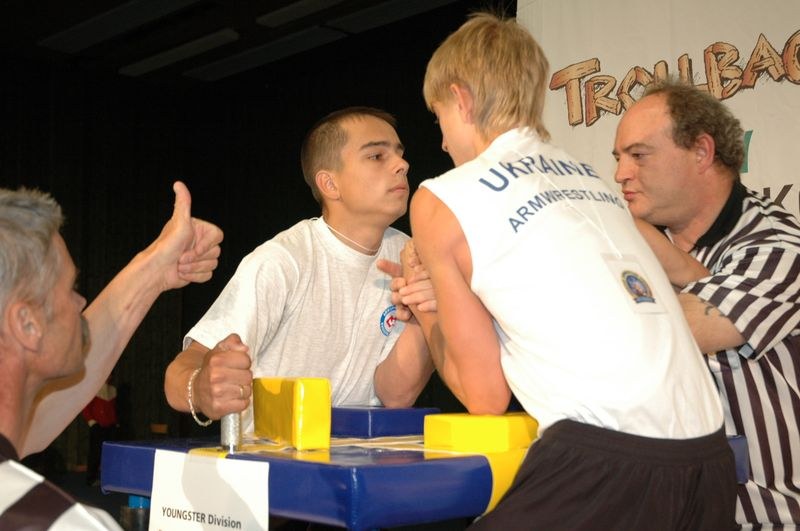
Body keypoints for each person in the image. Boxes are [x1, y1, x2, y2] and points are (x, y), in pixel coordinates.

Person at [396, 13, 737, 529]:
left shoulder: (442, 197)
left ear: (461, 99)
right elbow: (687, 270)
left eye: (438, 117)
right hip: (710, 461)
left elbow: (484, 396)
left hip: (611, 458)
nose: (442, 142)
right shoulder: (595, 181)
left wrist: (426, 307)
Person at [164, 107, 433, 433]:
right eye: (377, 156)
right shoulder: (282, 261)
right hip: (269, 467)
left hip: (359, 463)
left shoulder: (412, 257)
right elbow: (183, 369)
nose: (401, 165)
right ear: (330, 184)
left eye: (399, 154)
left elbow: (396, 394)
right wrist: (201, 389)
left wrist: (423, 317)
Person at [613, 80, 800, 528]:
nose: (620, 174)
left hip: (766, 517)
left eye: (638, 155)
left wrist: (607, 220)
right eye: (617, 159)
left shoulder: (778, 246)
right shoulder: (629, 250)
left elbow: (677, 331)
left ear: (701, 151)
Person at [0, 181, 223, 528]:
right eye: (70, 288)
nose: (80, 303)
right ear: (26, 323)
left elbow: (39, 418)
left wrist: (155, 268)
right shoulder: (62, 523)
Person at [82, 374, 118, 486]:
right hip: (98, 426)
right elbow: (86, 408)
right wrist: (92, 422)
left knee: (110, 453)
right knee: (95, 453)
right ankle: (91, 479)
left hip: (110, 426)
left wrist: (116, 422)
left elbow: (112, 409)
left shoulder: (112, 390)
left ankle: (108, 478)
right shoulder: (94, 388)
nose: (108, 376)